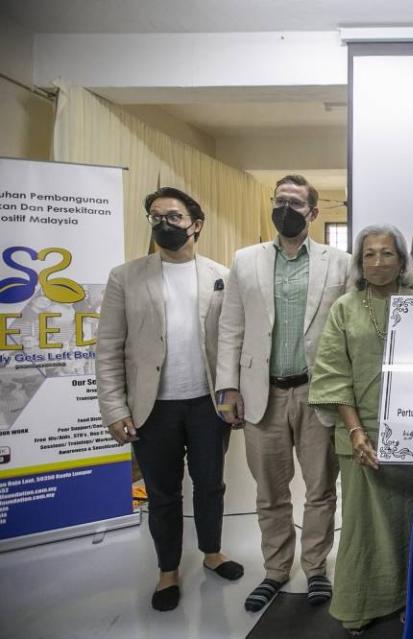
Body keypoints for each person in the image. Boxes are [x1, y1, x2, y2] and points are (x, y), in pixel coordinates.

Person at [96, 187, 241, 612]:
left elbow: (232, 342)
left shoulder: (221, 275)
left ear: (195, 225)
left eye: (174, 217)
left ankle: (213, 553)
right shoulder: (125, 276)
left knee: (211, 485)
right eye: (157, 216)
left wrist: (233, 396)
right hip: (151, 408)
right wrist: (114, 408)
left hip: (207, 405)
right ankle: (168, 571)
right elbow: (108, 348)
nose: (164, 224)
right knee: (162, 494)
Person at [216, 174, 351, 612]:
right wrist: (228, 387)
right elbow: (231, 326)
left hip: (318, 395)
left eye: (296, 204)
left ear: (313, 213)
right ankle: (276, 571)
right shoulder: (245, 260)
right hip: (262, 395)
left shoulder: (341, 263)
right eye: (280, 202)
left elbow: (347, 332)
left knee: (320, 489)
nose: (286, 210)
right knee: (270, 492)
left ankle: (315, 568)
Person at [309, 224, 413, 634]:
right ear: (359, 262)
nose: (378, 262)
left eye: (387, 254)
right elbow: (334, 375)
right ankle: (361, 605)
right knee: (362, 528)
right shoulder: (344, 307)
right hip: (360, 436)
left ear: (402, 261)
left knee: (410, 524)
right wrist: (356, 432)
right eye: (369, 255)